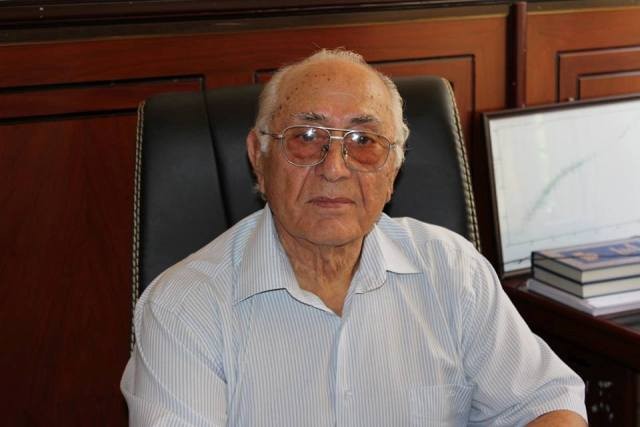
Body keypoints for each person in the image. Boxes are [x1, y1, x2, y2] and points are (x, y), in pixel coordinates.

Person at [121, 49, 587, 426]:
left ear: (393, 168)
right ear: (258, 157)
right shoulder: (183, 308)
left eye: (364, 142)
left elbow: (547, 404)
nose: (334, 168)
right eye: (306, 136)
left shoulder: (453, 271)